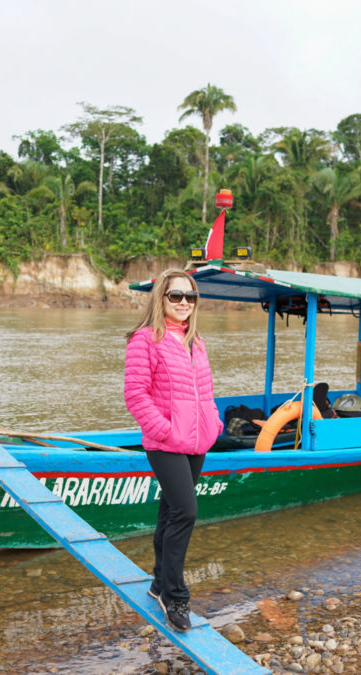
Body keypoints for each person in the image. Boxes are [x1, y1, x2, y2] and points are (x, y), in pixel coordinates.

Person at [123, 269, 223, 631]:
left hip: (197, 442)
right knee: (186, 511)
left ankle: (157, 582)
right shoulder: (145, 339)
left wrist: (214, 425)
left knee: (170, 510)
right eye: (175, 296)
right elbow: (135, 395)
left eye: (190, 297)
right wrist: (163, 430)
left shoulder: (197, 342)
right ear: (161, 299)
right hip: (165, 443)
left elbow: (207, 394)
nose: (183, 303)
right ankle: (174, 596)